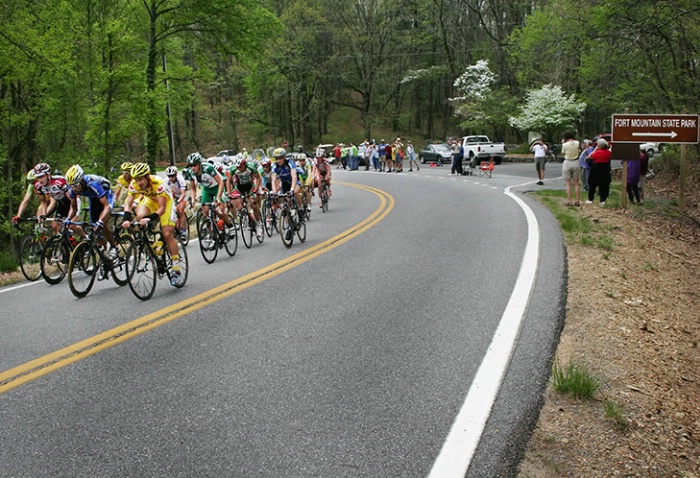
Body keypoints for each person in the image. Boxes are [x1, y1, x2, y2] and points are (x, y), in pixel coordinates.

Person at [121, 163, 183, 286]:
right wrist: (126, 218)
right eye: (136, 180)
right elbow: (128, 204)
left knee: (167, 233)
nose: (138, 183)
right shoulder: (134, 185)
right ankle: (150, 245)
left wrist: (149, 218)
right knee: (139, 217)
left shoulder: (158, 183)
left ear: (147, 177)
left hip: (165, 203)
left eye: (140, 179)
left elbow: (162, 209)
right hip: (150, 200)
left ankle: (176, 267)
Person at [64, 164, 120, 259]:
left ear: (81, 181)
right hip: (93, 198)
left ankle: (114, 246)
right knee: (94, 228)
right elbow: (74, 208)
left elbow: (106, 206)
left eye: (76, 186)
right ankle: (105, 250)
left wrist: (101, 221)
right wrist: (68, 218)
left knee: (101, 224)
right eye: (71, 186)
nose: (74, 189)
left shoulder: (93, 183)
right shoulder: (73, 189)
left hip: (106, 196)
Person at [186, 152, 234, 232]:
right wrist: (193, 200)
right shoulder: (190, 173)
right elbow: (193, 188)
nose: (192, 168)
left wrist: (218, 198)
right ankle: (211, 236)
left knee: (221, 211)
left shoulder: (208, 168)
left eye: (194, 165)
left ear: (200, 164)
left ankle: (230, 226)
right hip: (207, 189)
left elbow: (221, 182)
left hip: (217, 187)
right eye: (191, 166)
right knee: (205, 213)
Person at [227, 154, 264, 240]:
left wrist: (256, 190)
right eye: (237, 167)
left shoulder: (250, 167)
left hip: (250, 186)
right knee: (239, 206)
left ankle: (258, 225)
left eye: (240, 167)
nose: (239, 169)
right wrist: (229, 193)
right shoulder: (233, 169)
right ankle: (246, 218)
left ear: (244, 164)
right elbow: (228, 181)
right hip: (239, 187)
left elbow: (258, 178)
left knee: (253, 204)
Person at [165, 165, 190, 240]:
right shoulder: (166, 180)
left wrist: (178, 201)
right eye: (169, 176)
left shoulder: (180, 179)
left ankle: (184, 231)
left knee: (180, 210)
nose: (170, 178)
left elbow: (183, 193)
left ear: (176, 174)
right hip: (173, 195)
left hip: (182, 195)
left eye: (172, 176)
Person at [586, 138, 612, 205]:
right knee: (604, 185)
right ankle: (602, 200)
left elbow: (589, 157)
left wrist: (595, 150)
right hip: (605, 170)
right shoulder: (608, 153)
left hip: (596, 170)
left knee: (592, 185)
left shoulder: (597, 153)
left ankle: (590, 199)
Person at [561, 131, 581, 206]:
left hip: (567, 162)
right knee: (576, 183)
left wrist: (563, 143)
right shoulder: (577, 143)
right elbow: (579, 150)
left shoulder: (565, 145)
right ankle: (577, 201)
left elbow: (563, 153)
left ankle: (569, 201)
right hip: (575, 162)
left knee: (568, 183)